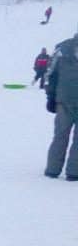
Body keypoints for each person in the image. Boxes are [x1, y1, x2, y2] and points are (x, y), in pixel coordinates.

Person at [44, 34, 78, 181]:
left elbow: (50, 73)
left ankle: (53, 169)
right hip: (65, 99)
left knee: (60, 135)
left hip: (63, 99)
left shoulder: (62, 48)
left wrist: (50, 96)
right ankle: (74, 171)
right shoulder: (62, 48)